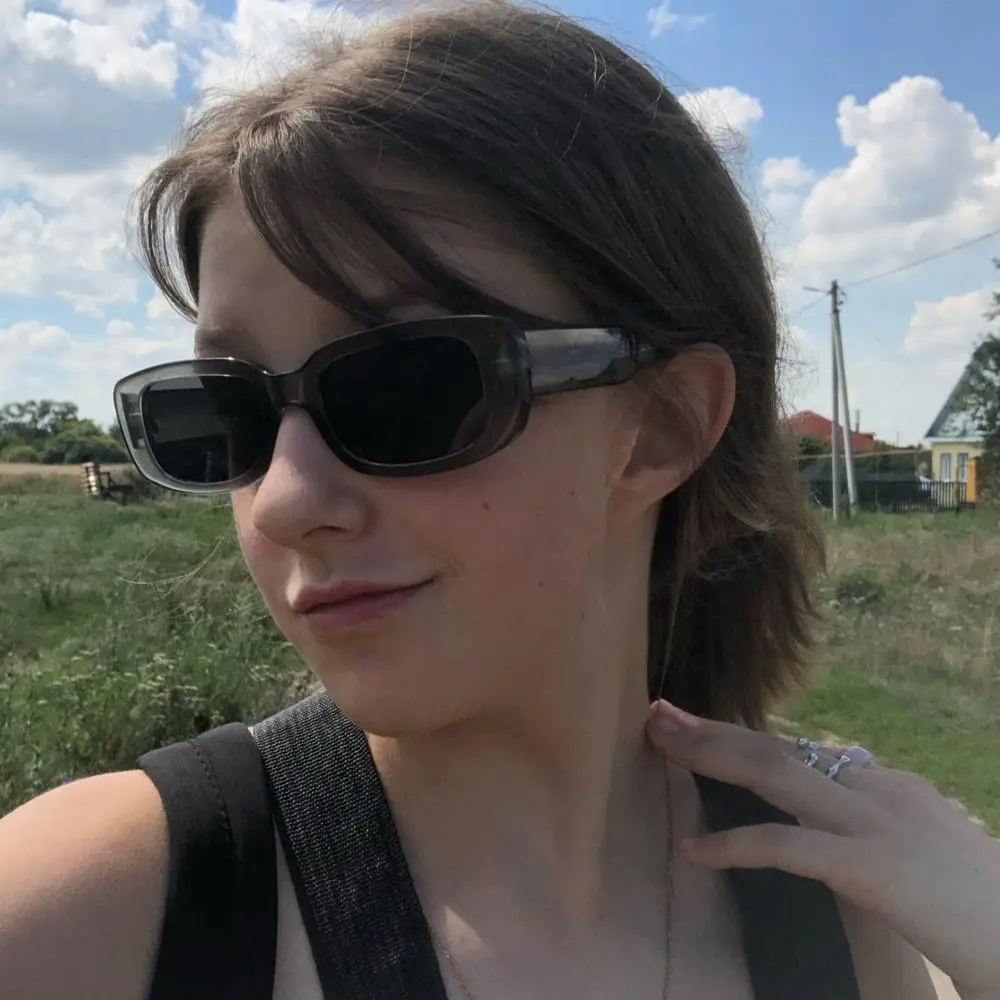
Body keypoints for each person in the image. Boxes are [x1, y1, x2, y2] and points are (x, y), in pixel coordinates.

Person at [2, 3, 998, 999]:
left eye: (408, 387)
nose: (283, 502)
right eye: (226, 409)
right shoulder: (93, 917)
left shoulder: (840, 917)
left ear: (662, 425)